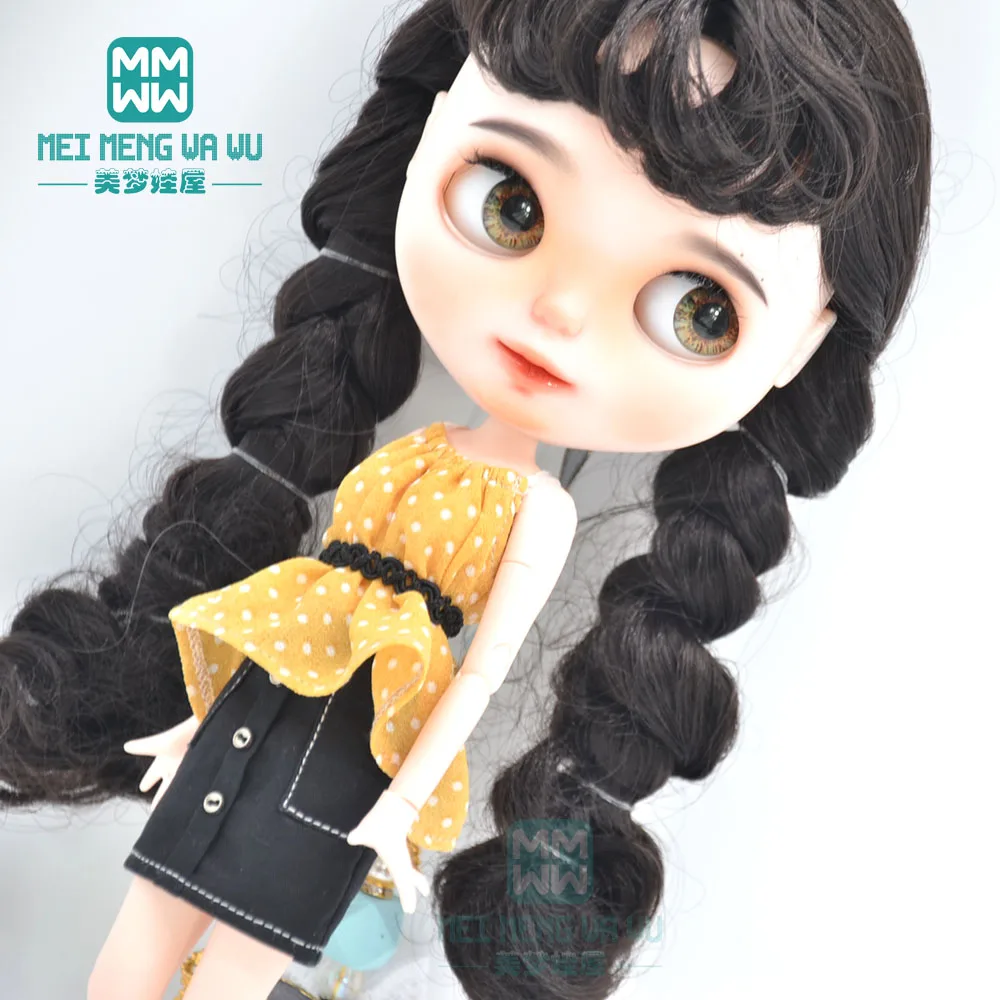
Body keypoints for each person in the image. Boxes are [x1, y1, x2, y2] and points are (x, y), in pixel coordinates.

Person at [0, 1, 933, 998]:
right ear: (431, 121)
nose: (558, 312)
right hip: (271, 725)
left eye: (698, 311)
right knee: (137, 948)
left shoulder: (591, 532)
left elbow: (488, 682)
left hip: (364, 782)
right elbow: (302, 603)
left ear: (803, 344)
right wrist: (196, 719)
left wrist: (407, 810)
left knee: (234, 965)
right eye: (510, 204)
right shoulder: (410, 443)